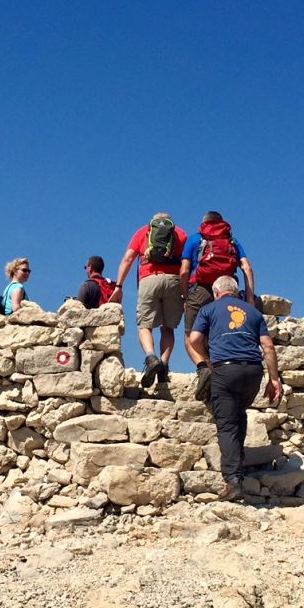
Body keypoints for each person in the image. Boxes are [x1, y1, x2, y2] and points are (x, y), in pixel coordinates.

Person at [187, 275, 282, 499]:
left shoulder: (209, 309)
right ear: (237, 292)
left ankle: (233, 480)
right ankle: (238, 466)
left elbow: (194, 339)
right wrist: (274, 379)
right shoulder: (254, 312)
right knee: (239, 414)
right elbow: (267, 345)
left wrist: (205, 361)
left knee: (227, 424)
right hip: (252, 371)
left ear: (216, 292)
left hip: (225, 371)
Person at [112, 213, 188, 387]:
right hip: (174, 281)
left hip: (149, 278)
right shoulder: (180, 234)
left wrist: (119, 286)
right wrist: (185, 290)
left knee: (144, 326)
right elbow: (187, 265)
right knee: (168, 329)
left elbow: (128, 258)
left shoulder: (144, 232)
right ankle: (164, 365)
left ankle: (150, 356)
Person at [181, 211, 257, 356]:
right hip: (228, 292)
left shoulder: (194, 239)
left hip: (200, 290)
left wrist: (184, 296)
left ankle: (204, 367)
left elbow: (184, 271)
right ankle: (219, 369)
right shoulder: (232, 241)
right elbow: (247, 268)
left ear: (203, 223)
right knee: (221, 333)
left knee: (191, 336)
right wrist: (250, 298)